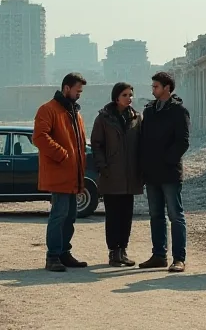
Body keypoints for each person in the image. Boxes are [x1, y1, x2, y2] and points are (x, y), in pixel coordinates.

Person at [33, 72, 89, 272]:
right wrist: (62, 154)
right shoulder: (48, 109)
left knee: (70, 216)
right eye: (77, 91)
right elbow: (39, 137)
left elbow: (79, 145)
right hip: (60, 174)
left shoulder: (75, 113)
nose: (79, 95)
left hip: (73, 175)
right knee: (59, 215)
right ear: (66, 88)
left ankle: (64, 253)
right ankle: (53, 256)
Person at [137, 71, 190, 273]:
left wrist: (167, 160)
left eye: (156, 87)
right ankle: (159, 255)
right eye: (152, 87)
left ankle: (179, 258)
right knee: (155, 215)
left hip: (169, 173)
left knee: (175, 215)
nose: (153, 90)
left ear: (167, 88)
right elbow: (143, 139)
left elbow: (183, 142)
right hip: (151, 173)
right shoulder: (150, 111)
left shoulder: (179, 111)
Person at [90, 82, 142, 267]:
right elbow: (96, 144)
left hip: (130, 175)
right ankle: (113, 252)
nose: (129, 98)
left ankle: (123, 251)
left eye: (130, 95)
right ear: (116, 98)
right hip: (111, 174)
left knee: (126, 215)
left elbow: (141, 144)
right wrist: (103, 166)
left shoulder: (136, 118)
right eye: (125, 95)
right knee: (113, 215)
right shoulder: (104, 118)